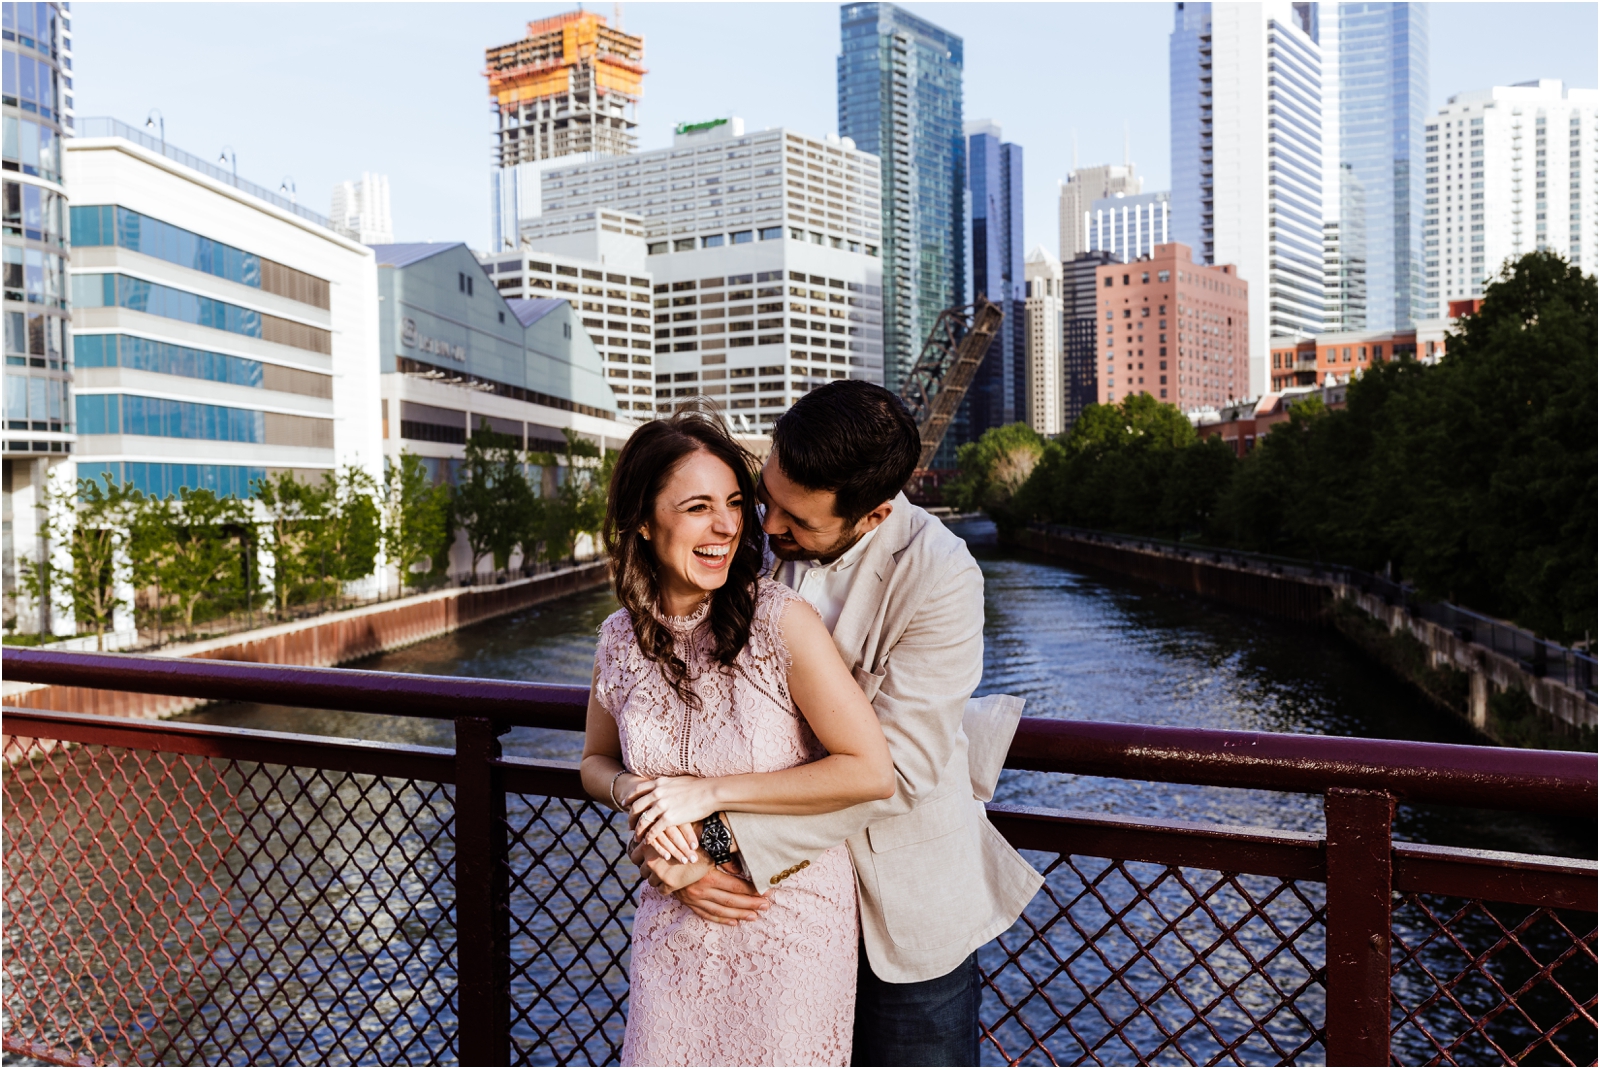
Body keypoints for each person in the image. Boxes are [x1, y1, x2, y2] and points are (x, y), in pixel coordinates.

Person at [648, 381, 1044, 1066]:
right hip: (779, 916)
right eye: (766, 498)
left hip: (900, 919)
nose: (767, 528)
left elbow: (895, 774)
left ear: (874, 514)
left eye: (796, 520)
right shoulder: (752, 540)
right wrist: (662, 838)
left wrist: (716, 841)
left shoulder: (944, 576)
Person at [580, 408, 898, 1066]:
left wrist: (701, 799)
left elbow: (870, 769)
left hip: (782, 921)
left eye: (733, 502)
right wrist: (638, 791)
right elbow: (594, 759)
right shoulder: (617, 636)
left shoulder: (782, 622)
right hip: (672, 909)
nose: (727, 525)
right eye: (698, 506)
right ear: (644, 518)